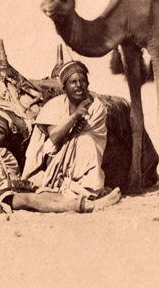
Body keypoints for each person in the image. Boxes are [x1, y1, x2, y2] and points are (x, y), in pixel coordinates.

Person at [22, 60, 111, 199]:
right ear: (64, 87)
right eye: (73, 82)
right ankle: (60, 181)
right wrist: (75, 117)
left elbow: (96, 138)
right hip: (55, 157)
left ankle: (80, 185)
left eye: (82, 81)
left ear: (88, 84)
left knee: (86, 141)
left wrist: (76, 131)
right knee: (53, 146)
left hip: (86, 158)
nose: (78, 85)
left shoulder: (97, 108)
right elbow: (55, 137)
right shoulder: (54, 105)